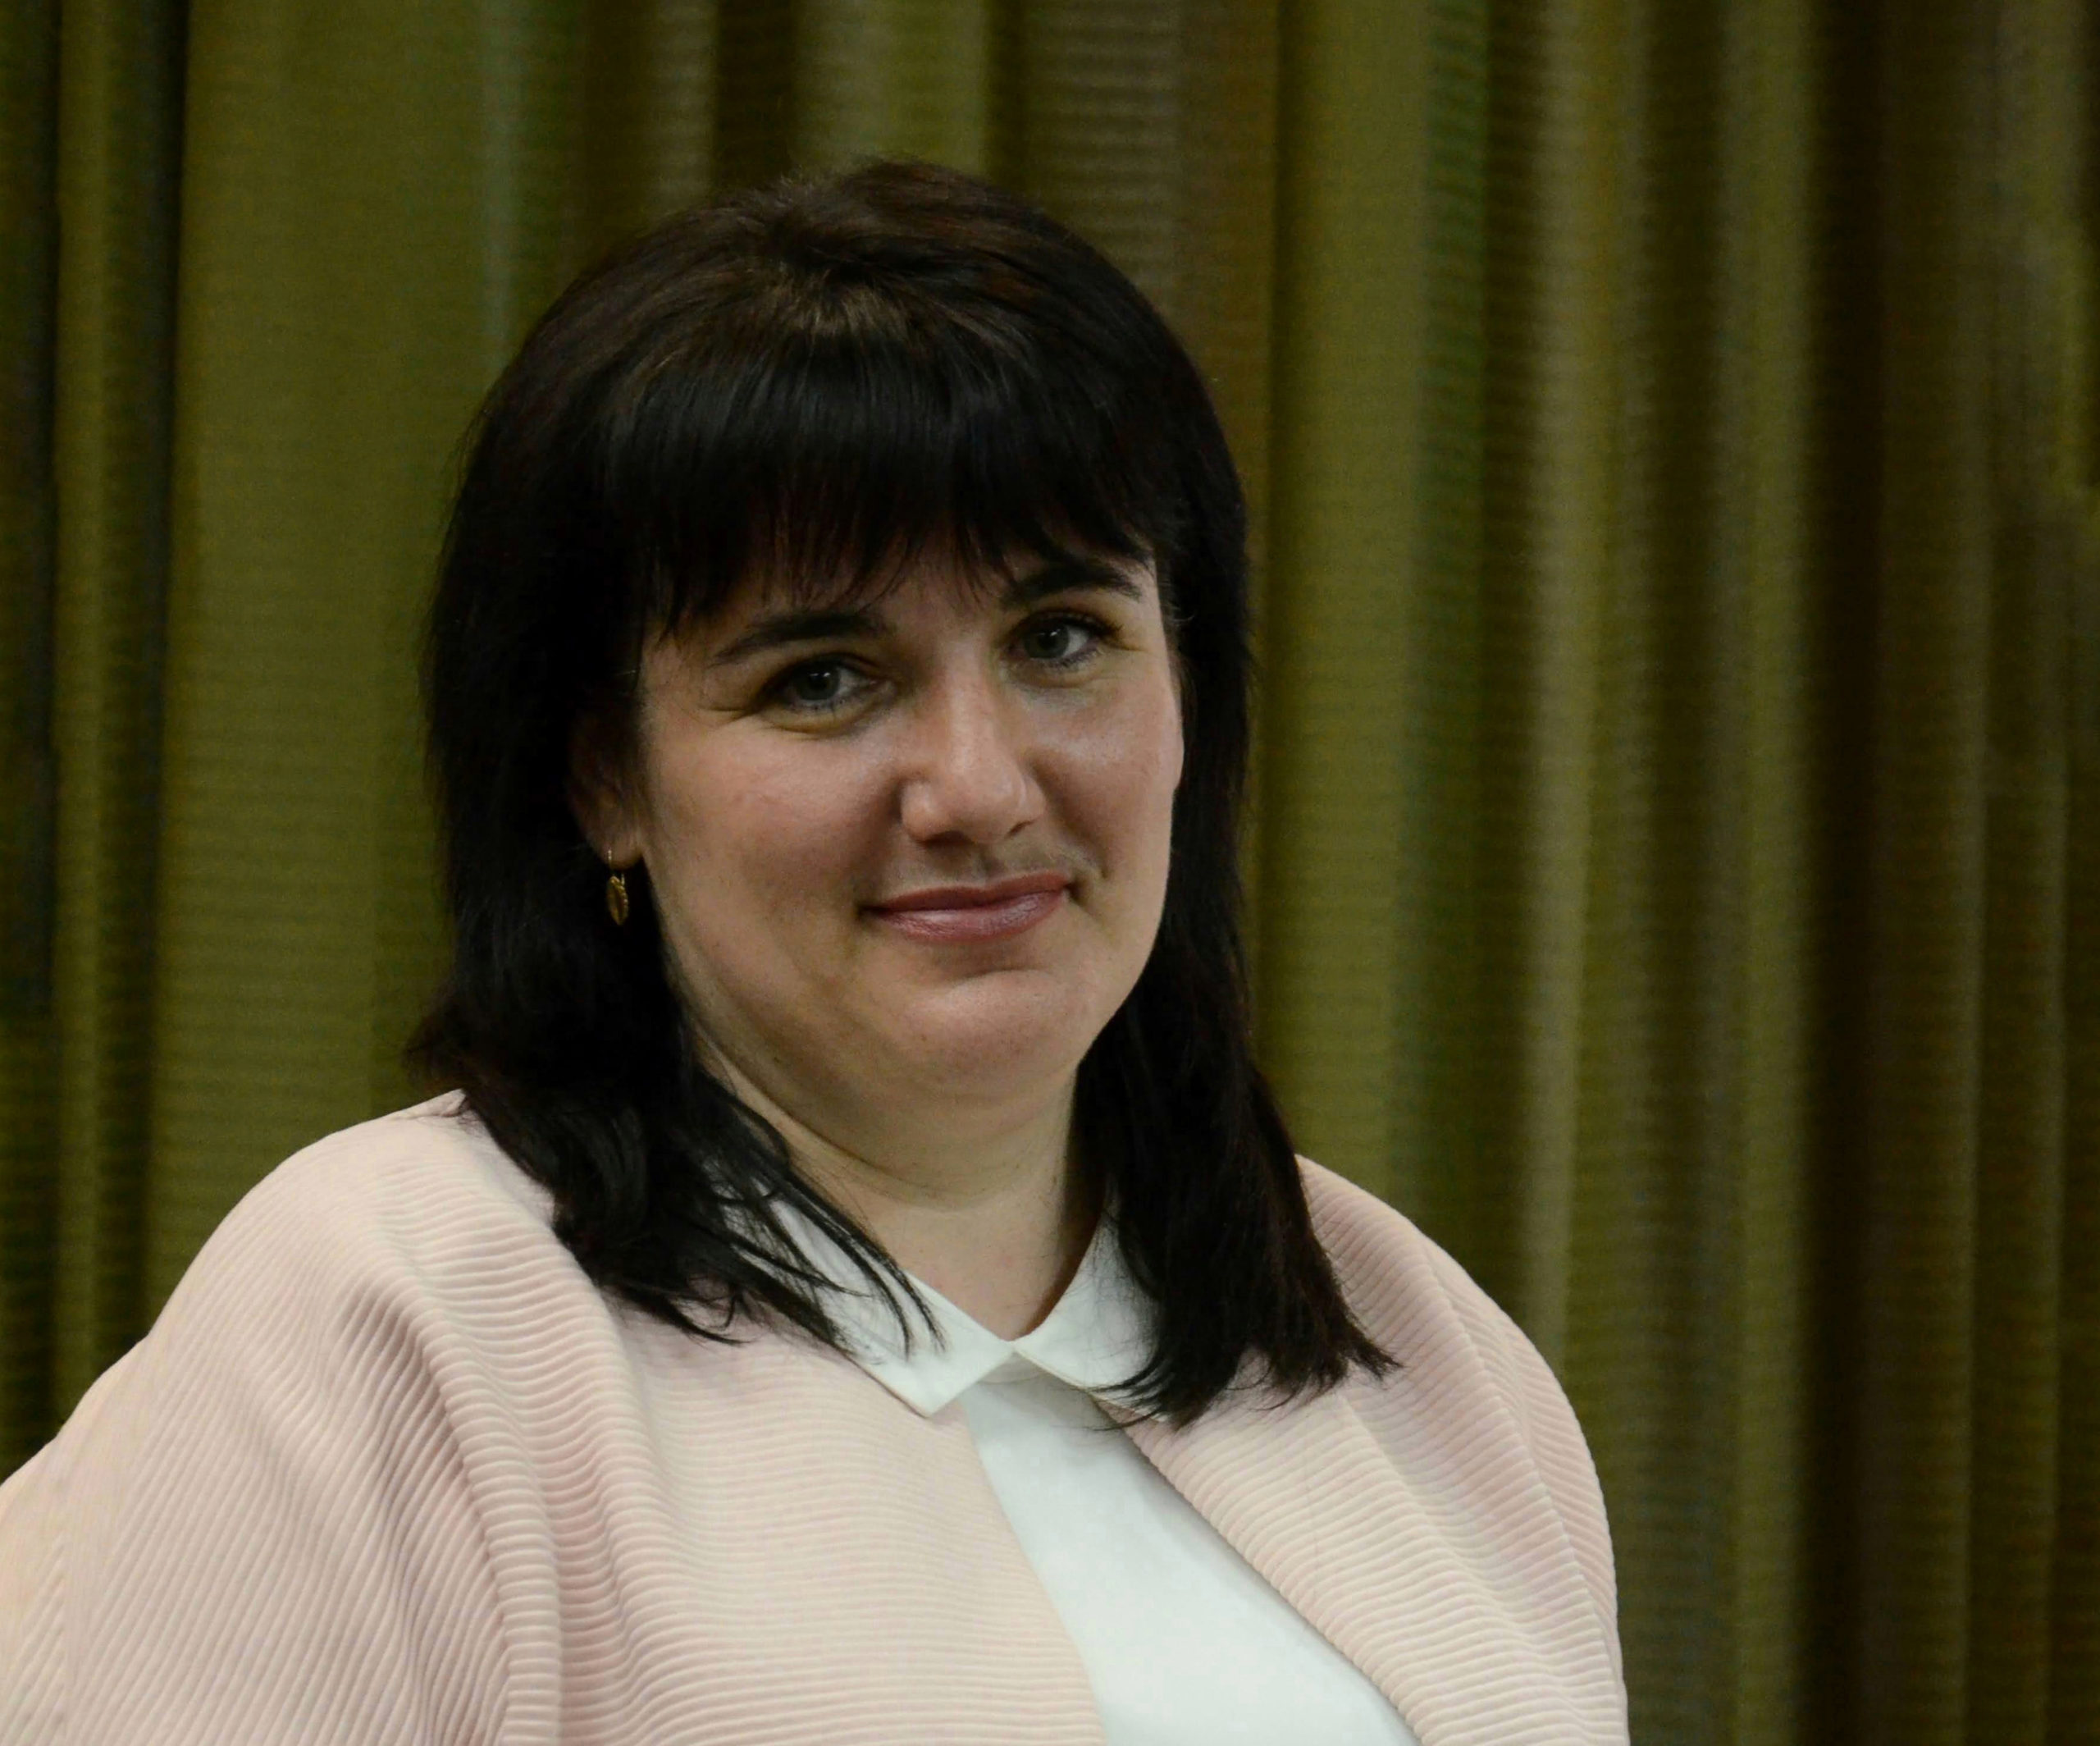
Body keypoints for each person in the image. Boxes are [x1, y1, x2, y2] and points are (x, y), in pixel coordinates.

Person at [0, 162, 1626, 1745]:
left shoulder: (1415, 1341)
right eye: (823, 679)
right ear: (605, 777)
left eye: (1061, 637)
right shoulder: (388, 1314)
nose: (978, 788)